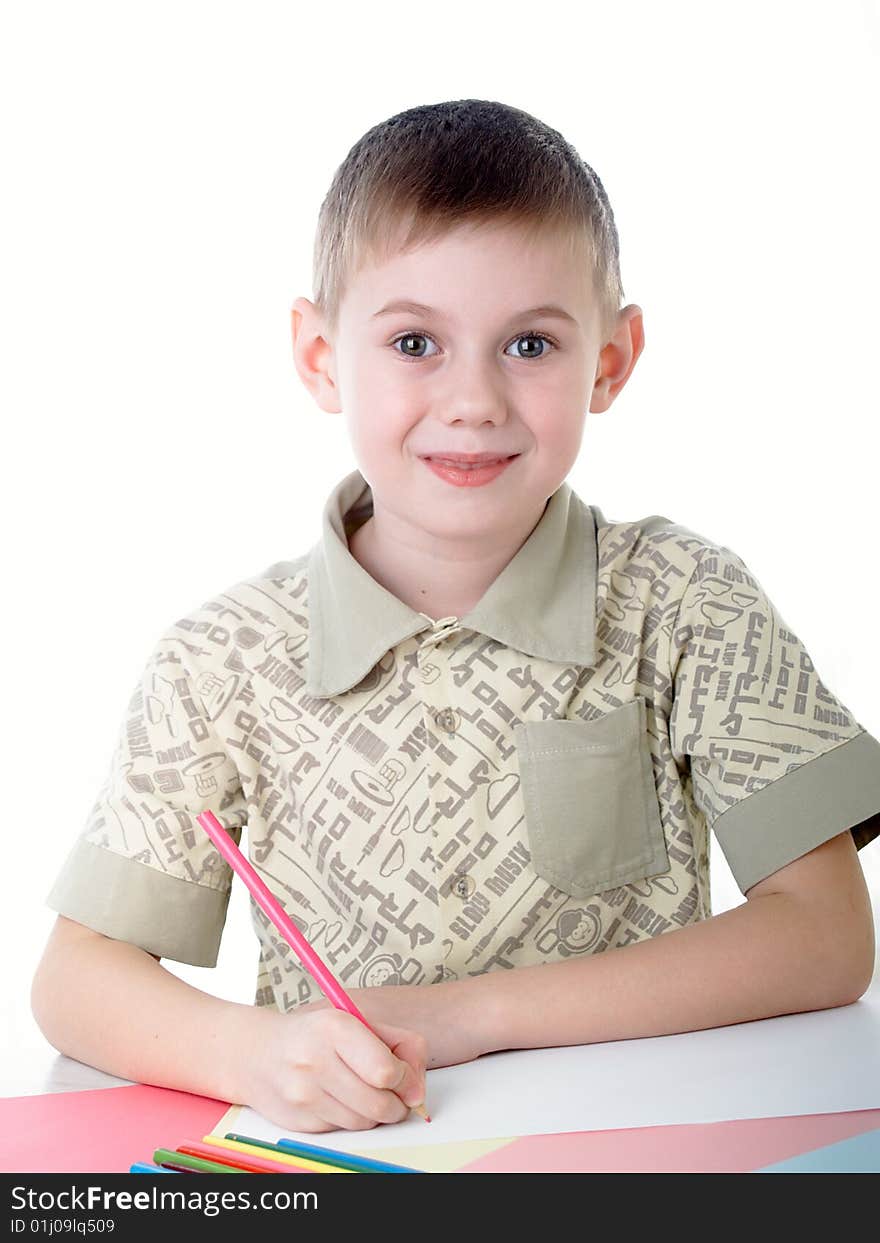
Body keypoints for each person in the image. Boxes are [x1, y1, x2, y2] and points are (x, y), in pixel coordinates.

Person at [32, 99, 880, 1135]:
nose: (472, 398)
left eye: (529, 343)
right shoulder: (220, 659)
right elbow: (75, 980)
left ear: (611, 360)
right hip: (358, 1161)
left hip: (638, 1155)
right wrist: (252, 1053)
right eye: (414, 342)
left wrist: (465, 1016)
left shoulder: (685, 601)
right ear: (320, 356)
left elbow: (827, 938)